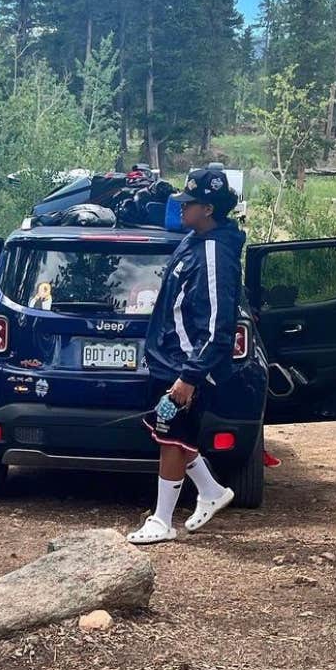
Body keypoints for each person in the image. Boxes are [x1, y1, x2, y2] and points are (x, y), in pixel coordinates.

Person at [128, 166, 243, 545]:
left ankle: (162, 521)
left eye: (188, 203)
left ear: (208, 209)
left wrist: (191, 375)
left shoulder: (215, 252)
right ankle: (211, 491)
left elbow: (217, 324)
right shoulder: (194, 239)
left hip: (188, 364)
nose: (180, 208)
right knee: (170, 433)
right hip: (171, 360)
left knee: (172, 439)